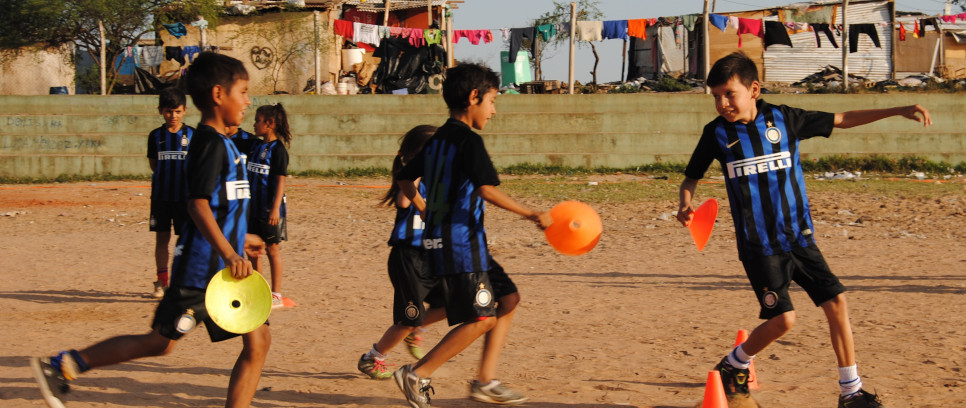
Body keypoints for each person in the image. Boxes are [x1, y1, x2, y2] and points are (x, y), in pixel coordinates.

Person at [676, 52, 931, 408]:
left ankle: (851, 392)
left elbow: (842, 119)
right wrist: (685, 204)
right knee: (783, 321)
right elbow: (691, 177)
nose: (722, 104)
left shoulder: (784, 119)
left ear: (753, 90)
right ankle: (734, 363)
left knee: (837, 302)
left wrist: (897, 110)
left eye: (729, 94)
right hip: (760, 245)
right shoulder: (716, 133)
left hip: (799, 237)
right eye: (716, 96)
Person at [30, 52, 271, 408]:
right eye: (244, 92)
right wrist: (229, 252)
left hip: (224, 273)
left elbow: (222, 207)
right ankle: (66, 364)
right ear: (219, 95)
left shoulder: (225, 143)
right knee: (159, 343)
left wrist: (241, 239)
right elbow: (197, 205)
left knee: (258, 341)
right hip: (202, 272)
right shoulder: (209, 144)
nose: (248, 101)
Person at [393, 63, 553, 408]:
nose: (493, 111)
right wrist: (531, 214)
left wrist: (424, 209)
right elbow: (486, 190)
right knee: (482, 318)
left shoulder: (437, 141)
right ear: (473, 97)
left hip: (461, 244)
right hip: (460, 246)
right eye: (492, 101)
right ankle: (417, 373)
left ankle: (485, 380)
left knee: (509, 298)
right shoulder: (468, 141)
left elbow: (404, 178)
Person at [357, 125, 447, 380]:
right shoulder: (410, 181)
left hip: (431, 255)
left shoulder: (435, 180)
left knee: (452, 303)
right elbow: (403, 201)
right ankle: (373, 358)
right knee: (408, 319)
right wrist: (416, 169)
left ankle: (415, 329)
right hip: (408, 257)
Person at [147, 87, 194, 298]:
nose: (173, 116)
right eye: (168, 111)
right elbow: (154, 165)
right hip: (161, 197)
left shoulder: (193, 135)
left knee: (184, 240)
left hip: (185, 199)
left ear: (184, 110)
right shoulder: (155, 136)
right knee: (162, 239)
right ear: (160, 111)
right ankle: (161, 282)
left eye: (177, 111)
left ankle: (181, 282)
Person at [247, 103, 292, 308]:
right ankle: (259, 289)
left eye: (258, 120)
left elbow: (280, 181)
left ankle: (276, 294)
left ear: (270, 123)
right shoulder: (255, 146)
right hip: (253, 208)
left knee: (273, 250)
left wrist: (275, 208)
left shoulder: (278, 150)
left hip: (269, 209)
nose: (254, 124)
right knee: (254, 250)